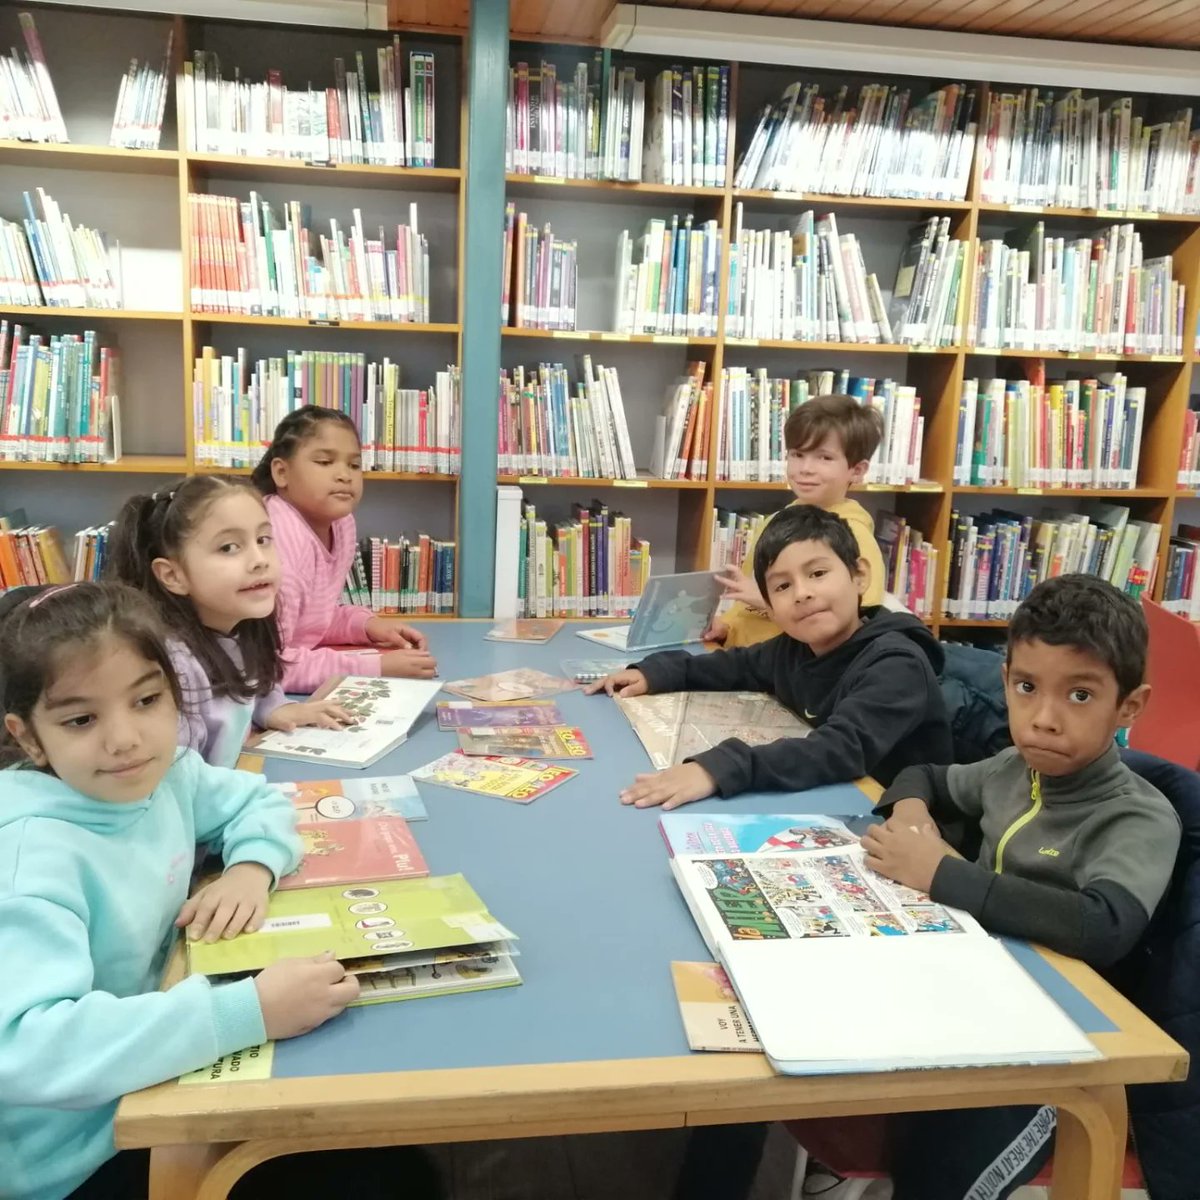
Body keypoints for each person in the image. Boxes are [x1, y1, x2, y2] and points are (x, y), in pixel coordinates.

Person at [0, 582, 358, 1200]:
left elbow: (255, 801)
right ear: (29, 737)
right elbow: (24, 1049)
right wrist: (247, 1011)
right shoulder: (31, 857)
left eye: (146, 700)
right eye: (82, 719)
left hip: (165, 1075)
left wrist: (252, 867)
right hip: (80, 1152)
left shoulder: (168, 774)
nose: (125, 738)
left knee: (379, 1151)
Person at [865, 574, 1182, 1200]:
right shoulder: (1013, 768)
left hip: (1062, 1049)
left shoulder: (1138, 816)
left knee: (938, 1172)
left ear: (1130, 707)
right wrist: (908, 815)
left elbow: (1102, 927)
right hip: (973, 998)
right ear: (1006, 677)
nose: (1043, 719)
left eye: (1080, 696)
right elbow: (924, 774)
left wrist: (940, 872)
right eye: (1026, 687)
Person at [587, 505, 951, 809]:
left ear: (859, 576)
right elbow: (737, 666)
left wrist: (717, 768)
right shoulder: (794, 647)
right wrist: (656, 673)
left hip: (899, 820)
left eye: (818, 573)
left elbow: (839, 750)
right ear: (768, 603)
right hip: (832, 802)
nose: (802, 593)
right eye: (782, 586)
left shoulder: (895, 665)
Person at [107, 476, 352, 768]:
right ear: (173, 575)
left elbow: (254, 681)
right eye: (228, 548)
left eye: (263, 540)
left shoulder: (242, 622)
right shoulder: (174, 666)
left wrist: (273, 708)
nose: (259, 560)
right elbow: (178, 777)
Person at [251, 405, 438, 691]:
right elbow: (267, 666)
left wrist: (369, 627)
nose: (344, 475)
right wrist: (373, 668)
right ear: (281, 472)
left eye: (354, 465)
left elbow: (311, 620)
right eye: (325, 462)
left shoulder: (341, 524)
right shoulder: (277, 539)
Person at [707, 393, 887, 648]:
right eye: (798, 454)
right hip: (743, 660)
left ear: (857, 470)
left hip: (789, 671)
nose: (806, 468)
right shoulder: (776, 523)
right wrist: (726, 628)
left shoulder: (854, 537)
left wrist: (769, 600)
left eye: (824, 458)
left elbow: (853, 631)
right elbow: (746, 612)